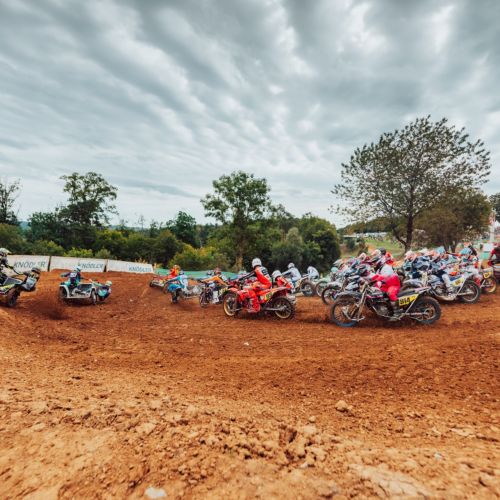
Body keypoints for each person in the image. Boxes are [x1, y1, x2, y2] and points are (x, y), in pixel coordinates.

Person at [370, 253, 402, 320]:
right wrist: (368, 280)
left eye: (374, 262)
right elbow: (375, 276)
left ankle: (397, 312)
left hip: (393, 284)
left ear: (379, 261)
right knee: (377, 293)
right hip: (386, 285)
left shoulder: (387, 267)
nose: (373, 264)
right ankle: (385, 307)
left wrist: (377, 280)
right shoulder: (379, 269)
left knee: (390, 293)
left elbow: (384, 276)